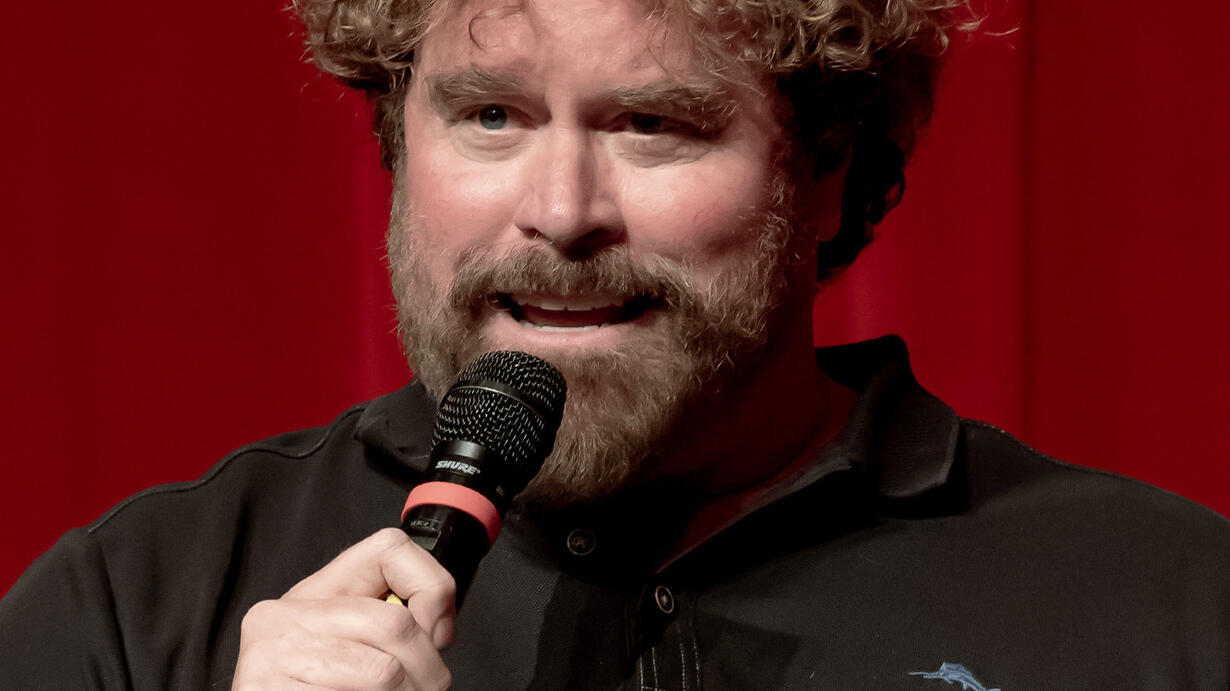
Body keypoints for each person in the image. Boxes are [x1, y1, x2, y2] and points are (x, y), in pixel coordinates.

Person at [2, 0, 1227, 688]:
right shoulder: (142, 610)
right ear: (397, 145)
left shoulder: (1165, 611)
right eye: (491, 115)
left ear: (830, 169)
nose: (562, 210)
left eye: (652, 123)